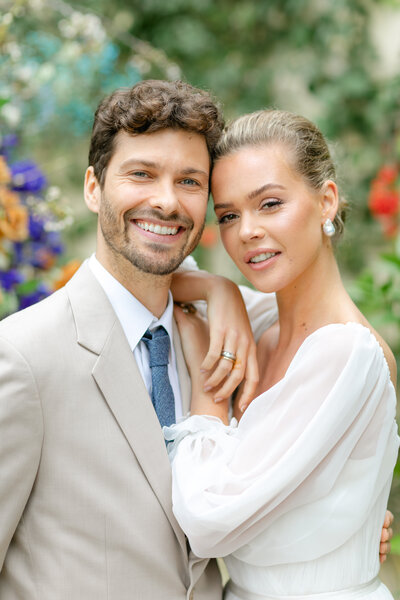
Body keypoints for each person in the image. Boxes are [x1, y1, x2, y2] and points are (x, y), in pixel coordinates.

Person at [0, 79, 274, 599]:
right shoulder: (20, 357)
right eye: (142, 174)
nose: (167, 202)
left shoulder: (217, 342)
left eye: (190, 182)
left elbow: (359, 350)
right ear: (92, 187)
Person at [164, 109, 399, 600]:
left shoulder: (344, 353)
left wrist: (212, 391)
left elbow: (206, 521)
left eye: (269, 204)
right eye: (228, 215)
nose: (245, 231)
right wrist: (219, 288)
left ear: (326, 202)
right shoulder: (263, 322)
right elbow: (153, 272)